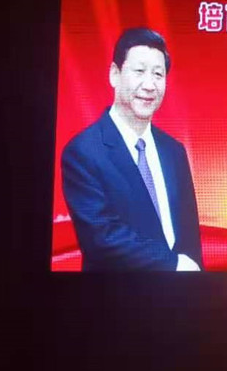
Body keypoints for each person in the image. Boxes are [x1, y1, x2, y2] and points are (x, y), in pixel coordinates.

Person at [61, 28, 204, 271]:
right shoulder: (83, 152)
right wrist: (174, 266)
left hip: (179, 293)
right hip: (116, 293)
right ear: (114, 74)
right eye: (139, 71)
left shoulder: (174, 151)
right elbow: (101, 238)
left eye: (158, 74)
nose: (149, 85)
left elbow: (189, 237)